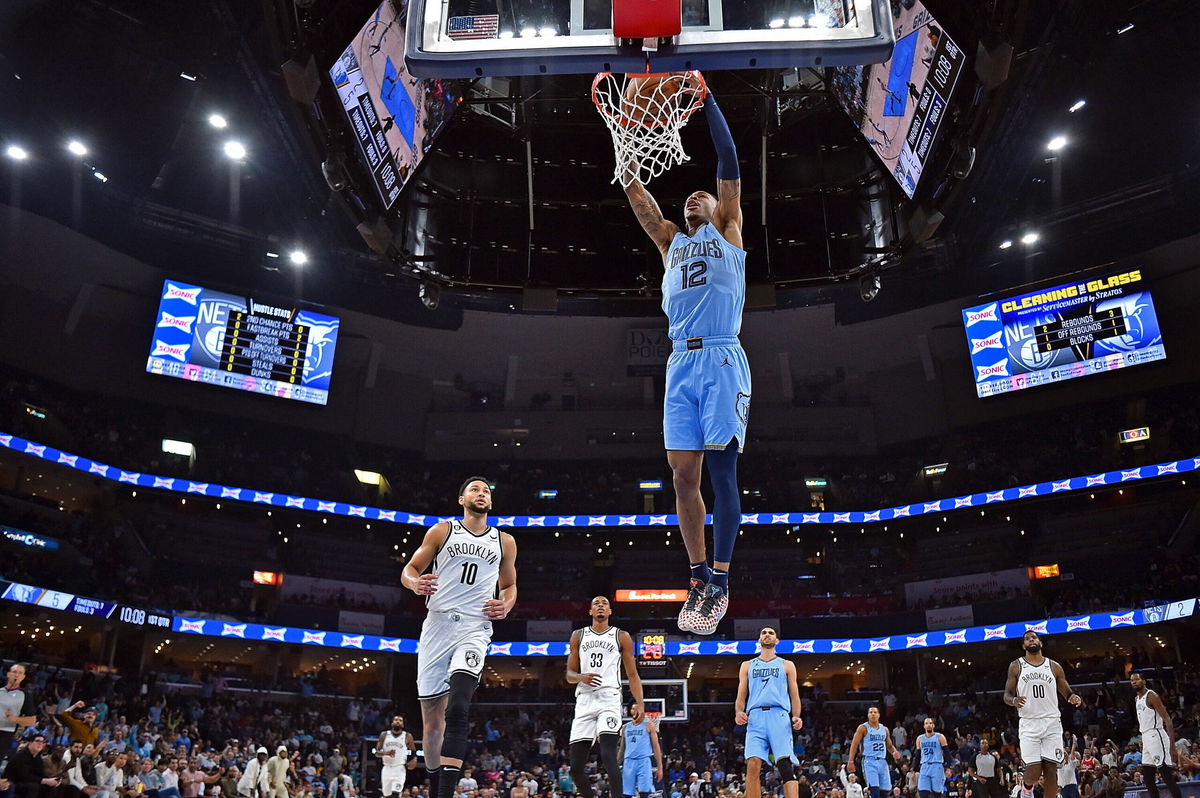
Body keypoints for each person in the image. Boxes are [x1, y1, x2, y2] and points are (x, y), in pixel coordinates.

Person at [621, 81, 749, 635]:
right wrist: (626, 143)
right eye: (690, 196)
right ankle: (697, 573)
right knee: (681, 477)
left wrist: (707, 99)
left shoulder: (730, 229)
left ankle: (721, 577)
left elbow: (728, 157)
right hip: (680, 364)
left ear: (720, 207)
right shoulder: (670, 241)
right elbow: (638, 199)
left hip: (721, 358)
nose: (696, 196)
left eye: (706, 194)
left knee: (722, 471)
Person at [402, 477, 518, 798]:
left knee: (458, 707)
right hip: (438, 625)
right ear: (461, 499)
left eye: (486, 491)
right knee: (433, 724)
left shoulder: (504, 541)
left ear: (490, 503)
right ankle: (435, 784)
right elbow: (409, 568)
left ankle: (446, 793)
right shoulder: (442, 531)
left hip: (475, 626)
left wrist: (506, 604)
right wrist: (415, 583)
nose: (481, 494)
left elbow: (509, 586)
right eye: (474, 489)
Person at [566, 596, 648, 798]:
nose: (600, 606)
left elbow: (632, 674)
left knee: (608, 754)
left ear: (610, 611)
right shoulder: (578, 635)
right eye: (596, 603)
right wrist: (580, 677)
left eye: (604, 604)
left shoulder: (621, 636)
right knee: (575, 768)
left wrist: (640, 703)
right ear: (590, 611)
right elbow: (569, 674)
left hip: (609, 699)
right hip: (584, 700)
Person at [1003, 631, 1083, 798]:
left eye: (1034, 637)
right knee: (1033, 771)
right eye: (1027, 639)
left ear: (1041, 643)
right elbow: (1007, 695)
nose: (1031, 640)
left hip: (1052, 722)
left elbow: (1066, 691)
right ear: (1023, 645)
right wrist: (1014, 700)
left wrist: (1072, 697)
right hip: (1029, 722)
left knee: (1051, 770)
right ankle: (1026, 789)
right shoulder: (1016, 666)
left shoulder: (1053, 666)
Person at [735, 627, 803, 798]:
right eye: (764, 633)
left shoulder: (787, 664)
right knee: (752, 764)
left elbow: (794, 695)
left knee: (784, 765)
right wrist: (738, 712)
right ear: (759, 640)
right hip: (755, 717)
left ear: (776, 641)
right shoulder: (747, 665)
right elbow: (741, 695)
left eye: (771, 633)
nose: (767, 635)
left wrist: (796, 716)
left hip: (779, 716)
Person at [1131, 672, 1183, 798]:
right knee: (1148, 778)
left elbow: (1168, 720)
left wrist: (1172, 747)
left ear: (1144, 681)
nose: (1134, 682)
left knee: (1166, 775)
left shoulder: (1152, 696)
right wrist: (1143, 739)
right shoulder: (1136, 699)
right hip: (1146, 736)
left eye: (1136, 679)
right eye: (1132, 680)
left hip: (1156, 734)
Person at [847, 708, 902, 798]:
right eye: (870, 712)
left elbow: (889, 746)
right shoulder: (863, 728)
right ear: (868, 715)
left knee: (885, 792)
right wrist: (850, 761)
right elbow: (854, 744)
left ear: (879, 715)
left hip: (882, 762)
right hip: (869, 761)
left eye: (875, 712)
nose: (873, 714)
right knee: (874, 791)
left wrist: (894, 752)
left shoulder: (884, 729)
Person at [618, 710, 662, 798]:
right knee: (626, 793)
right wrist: (616, 764)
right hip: (628, 761)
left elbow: (656, 747)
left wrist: (660, 767)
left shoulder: (648, 725)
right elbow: (622, 749)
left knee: (644, 791)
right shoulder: (626, 727)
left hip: (643, 760)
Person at [1, 664, 38, 758]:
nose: (16, 675)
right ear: (8, 674)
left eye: (20, 673)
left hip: (5, 734)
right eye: (14, 672)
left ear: (23, 677)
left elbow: (32, 720)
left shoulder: (24, 695)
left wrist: (14, 719)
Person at [377, 716, 414, 798]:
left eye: (400, 720)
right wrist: (385, 753)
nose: (398, 722)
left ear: (403, 725)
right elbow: (376, 753)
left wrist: (414, 760)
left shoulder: (407, 736)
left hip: (399, 768)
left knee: (395, 794)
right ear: (392, 723)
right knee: (386, 795)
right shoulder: (384, 735)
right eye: (396, 720)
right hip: (386, 768)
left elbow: (413, 751)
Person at [916, 719, 949, 798]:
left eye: (930, 723)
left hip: (936, 766)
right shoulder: (920, 738)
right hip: (924, 766)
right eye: (926, 723)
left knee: (937, 794)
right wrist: (913, 769)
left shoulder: (940, 737)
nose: (928, 725)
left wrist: (949, 767)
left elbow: (947, 753)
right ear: (924, 726)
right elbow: (917, 755)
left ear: (933, 725)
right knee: (922, 792)